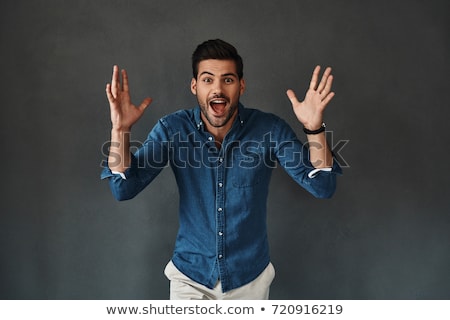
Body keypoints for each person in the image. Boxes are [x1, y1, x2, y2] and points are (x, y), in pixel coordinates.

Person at [101, 39, 342, 300]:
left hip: (249, 278)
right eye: (207, 80)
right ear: (194, 86)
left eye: (227, 80)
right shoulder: (173, 129)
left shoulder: (269, 129)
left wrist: (314, 128)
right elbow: (122, 188)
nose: (217, 89)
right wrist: (120, 131)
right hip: (190, 277)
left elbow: (322, 186)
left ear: (241, 85)